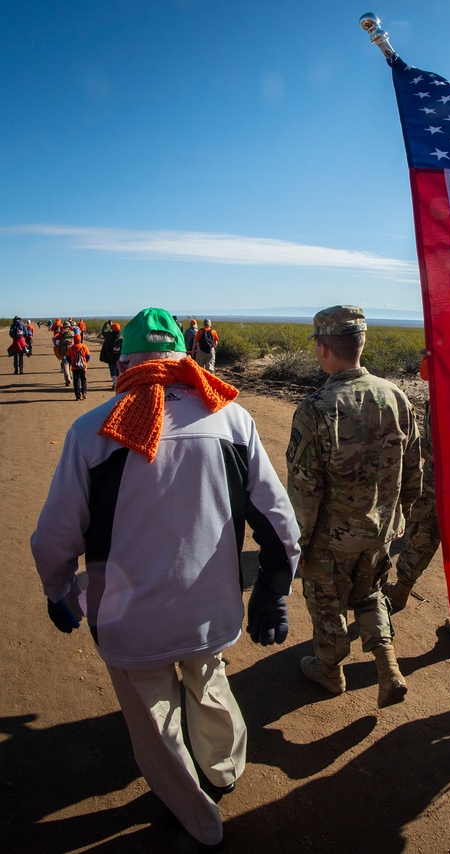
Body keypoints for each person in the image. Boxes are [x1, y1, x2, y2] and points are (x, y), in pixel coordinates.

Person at [31, 308, 300, 850]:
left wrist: (57, 588)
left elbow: (55, 535)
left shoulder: (92, 429)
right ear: (184, 354)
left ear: (124, 358)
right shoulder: (231, 419)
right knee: (209, 678)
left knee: (156, 716)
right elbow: (279, 521)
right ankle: (223, 771)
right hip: (212, 609)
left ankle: (196, 817)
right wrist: (273, 588)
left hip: (129, 621)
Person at [286, 305, 422, 708]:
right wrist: (399, 517)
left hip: (333, 537)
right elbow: (415, 467)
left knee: (326, 602)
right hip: (381, 529)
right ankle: (387, 665)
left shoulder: (316, 408)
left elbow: (304, 490)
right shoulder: (395, 397)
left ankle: (329, 671)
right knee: (371, 592)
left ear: (324, 349)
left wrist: (300, 544)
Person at [384, 349, 440, 612]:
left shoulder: (446, 397)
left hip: (438, 487)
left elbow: (434, 450)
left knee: (422, 536)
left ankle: (401, 592)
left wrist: (407, 441)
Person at [66, 333, 92, 400]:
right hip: (83, 367)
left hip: (75, 367)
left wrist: (72, 363)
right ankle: (84, 393)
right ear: (80, 339)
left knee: (76, 381)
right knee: (83, 380)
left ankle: (77, 396)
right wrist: (85, 362)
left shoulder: (71, 348)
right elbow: (88, 356)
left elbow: (68, 358)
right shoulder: (84, 347)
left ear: (74, 340)